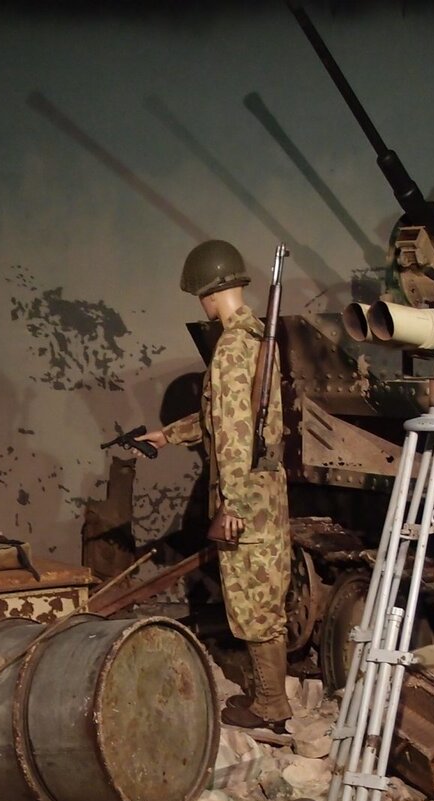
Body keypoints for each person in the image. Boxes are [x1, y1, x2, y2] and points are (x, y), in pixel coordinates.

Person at [140, 239, 292, 729]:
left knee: (252, 599)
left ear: (206, 293)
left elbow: (231, 436)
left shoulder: (229, 349)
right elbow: (227, 419)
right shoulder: (259, 339)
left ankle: (270, 704)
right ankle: (272, 698)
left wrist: (232, 504)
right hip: (267, 490)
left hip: (244, 494)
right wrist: (168, 435)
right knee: (267, 592)